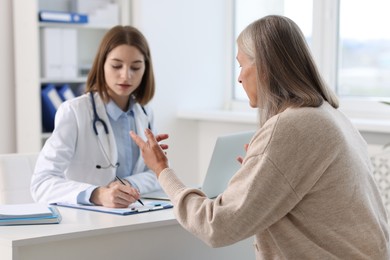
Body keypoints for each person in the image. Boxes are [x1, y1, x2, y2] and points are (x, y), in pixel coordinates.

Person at [130, 15, 390, 259]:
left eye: (242, 65)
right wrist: (262, 174)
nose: (240, 78)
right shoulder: (330, 116)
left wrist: (162, 170)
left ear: (264, 67)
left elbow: (217, 225)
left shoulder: (292, 127)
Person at [31, 25, 162, 208]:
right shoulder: (74, 112)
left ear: (145, 70)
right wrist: (96, 194)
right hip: (86, 222)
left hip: (133, 216)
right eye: (116, 65)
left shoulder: (145, 113)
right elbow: (42, 184)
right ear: (101, 65)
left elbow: (157, 174)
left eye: (136, 67)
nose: (126, 75)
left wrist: (127, 186)